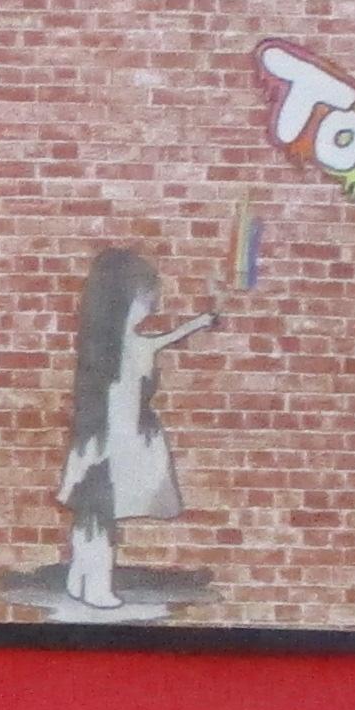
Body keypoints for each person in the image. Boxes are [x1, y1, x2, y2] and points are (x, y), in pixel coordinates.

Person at [51, 245, 216, 612]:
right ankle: (95, 584)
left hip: (110, 441)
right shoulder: (116, 352)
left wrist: (198, 323)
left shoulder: (110, 349)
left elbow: (165, 339)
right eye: (144, 299)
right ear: (122, 300)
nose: (150, 307)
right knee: (101, 519)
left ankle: (81, 576)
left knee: (93, 517)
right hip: (111, 445)